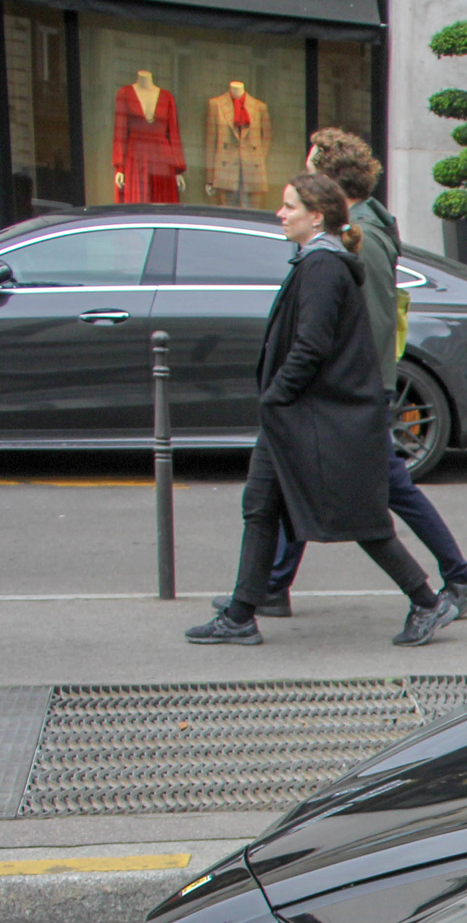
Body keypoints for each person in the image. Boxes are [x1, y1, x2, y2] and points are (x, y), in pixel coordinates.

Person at [231, 130, 467, 623]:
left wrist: (352, 395)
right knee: (301, 488)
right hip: (354, 392)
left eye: (309, 174)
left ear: (325, 193)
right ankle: (267, 589)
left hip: (357, 393)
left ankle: (455, 580)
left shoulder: (356, 240)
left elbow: (365, 320)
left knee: (376, 500)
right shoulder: (349, 233)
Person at [185, 173, 450, 647]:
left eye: (289, 207)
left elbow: (311, 345)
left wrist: (277, 393)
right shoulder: (317, 261)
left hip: (317, 415)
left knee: (361, 519)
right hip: (298, 414)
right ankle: (241, 614)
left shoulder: (323, 267)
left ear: (317, 215)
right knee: (260, 507)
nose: (280, 214)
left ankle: (428, 602)